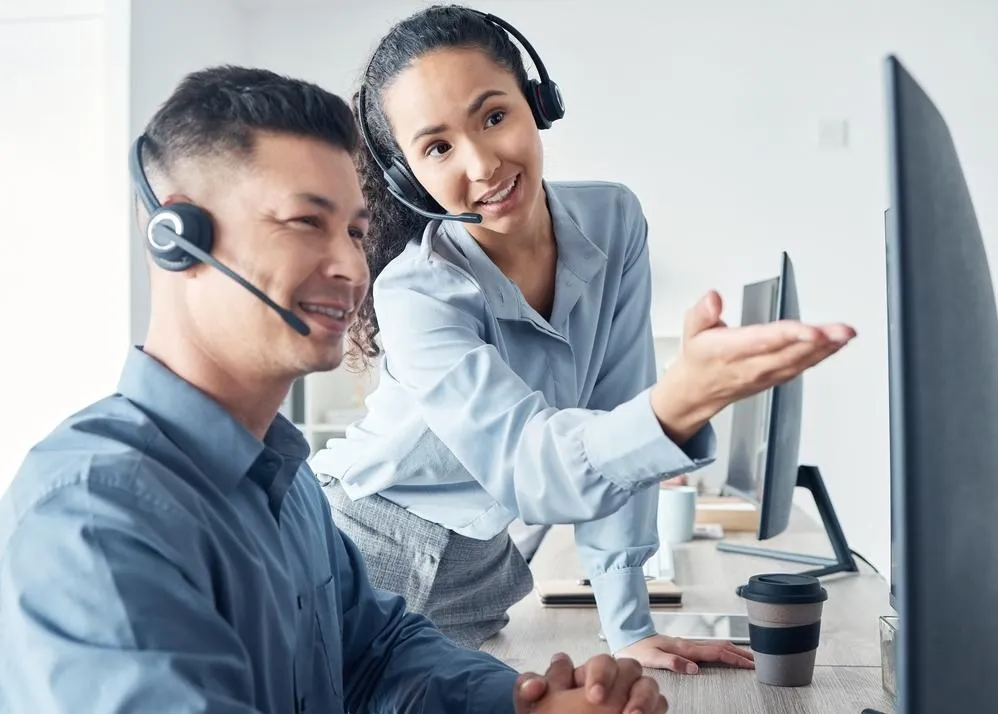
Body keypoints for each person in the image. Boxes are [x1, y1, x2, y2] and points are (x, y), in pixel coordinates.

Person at [0, 65, 670, 714]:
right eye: (306, 223)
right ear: (180, 238)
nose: (352, 266)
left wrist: (525, 704)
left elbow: (377, 656)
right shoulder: (95, 516)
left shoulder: (286, 486)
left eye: (356, 231)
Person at [310, 3, 856, 673]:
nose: (482, 164)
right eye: (438, 147)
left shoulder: (614, 218)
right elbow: (530, 467)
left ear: (537, 102)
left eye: (493, 116)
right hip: (358, 557)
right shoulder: (417, 293)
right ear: (406, 174)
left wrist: (627, 624)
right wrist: (680, 401)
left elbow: (612, 403)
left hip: (475, 579)